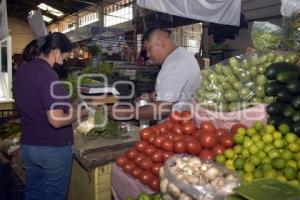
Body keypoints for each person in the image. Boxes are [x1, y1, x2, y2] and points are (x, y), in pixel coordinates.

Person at [14, 32, 88, 200]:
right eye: (65, 55)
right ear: (55, 51)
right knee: (53, 196)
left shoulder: (23, 70)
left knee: (33, 193)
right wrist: (80, 114)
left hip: (29, 146)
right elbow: (55, 120)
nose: (65, 59)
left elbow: (38, 104)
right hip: (52, 148)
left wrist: (72, 105)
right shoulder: (48, 74)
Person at [110, 27, 202, 120]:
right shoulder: (181, 56)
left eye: (149, 49)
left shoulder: (174, 63)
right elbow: (173, 92)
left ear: (161, 42)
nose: (148, 55)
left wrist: (128, 113)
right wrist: (149, 96)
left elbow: (163, 108)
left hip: (180, 124)